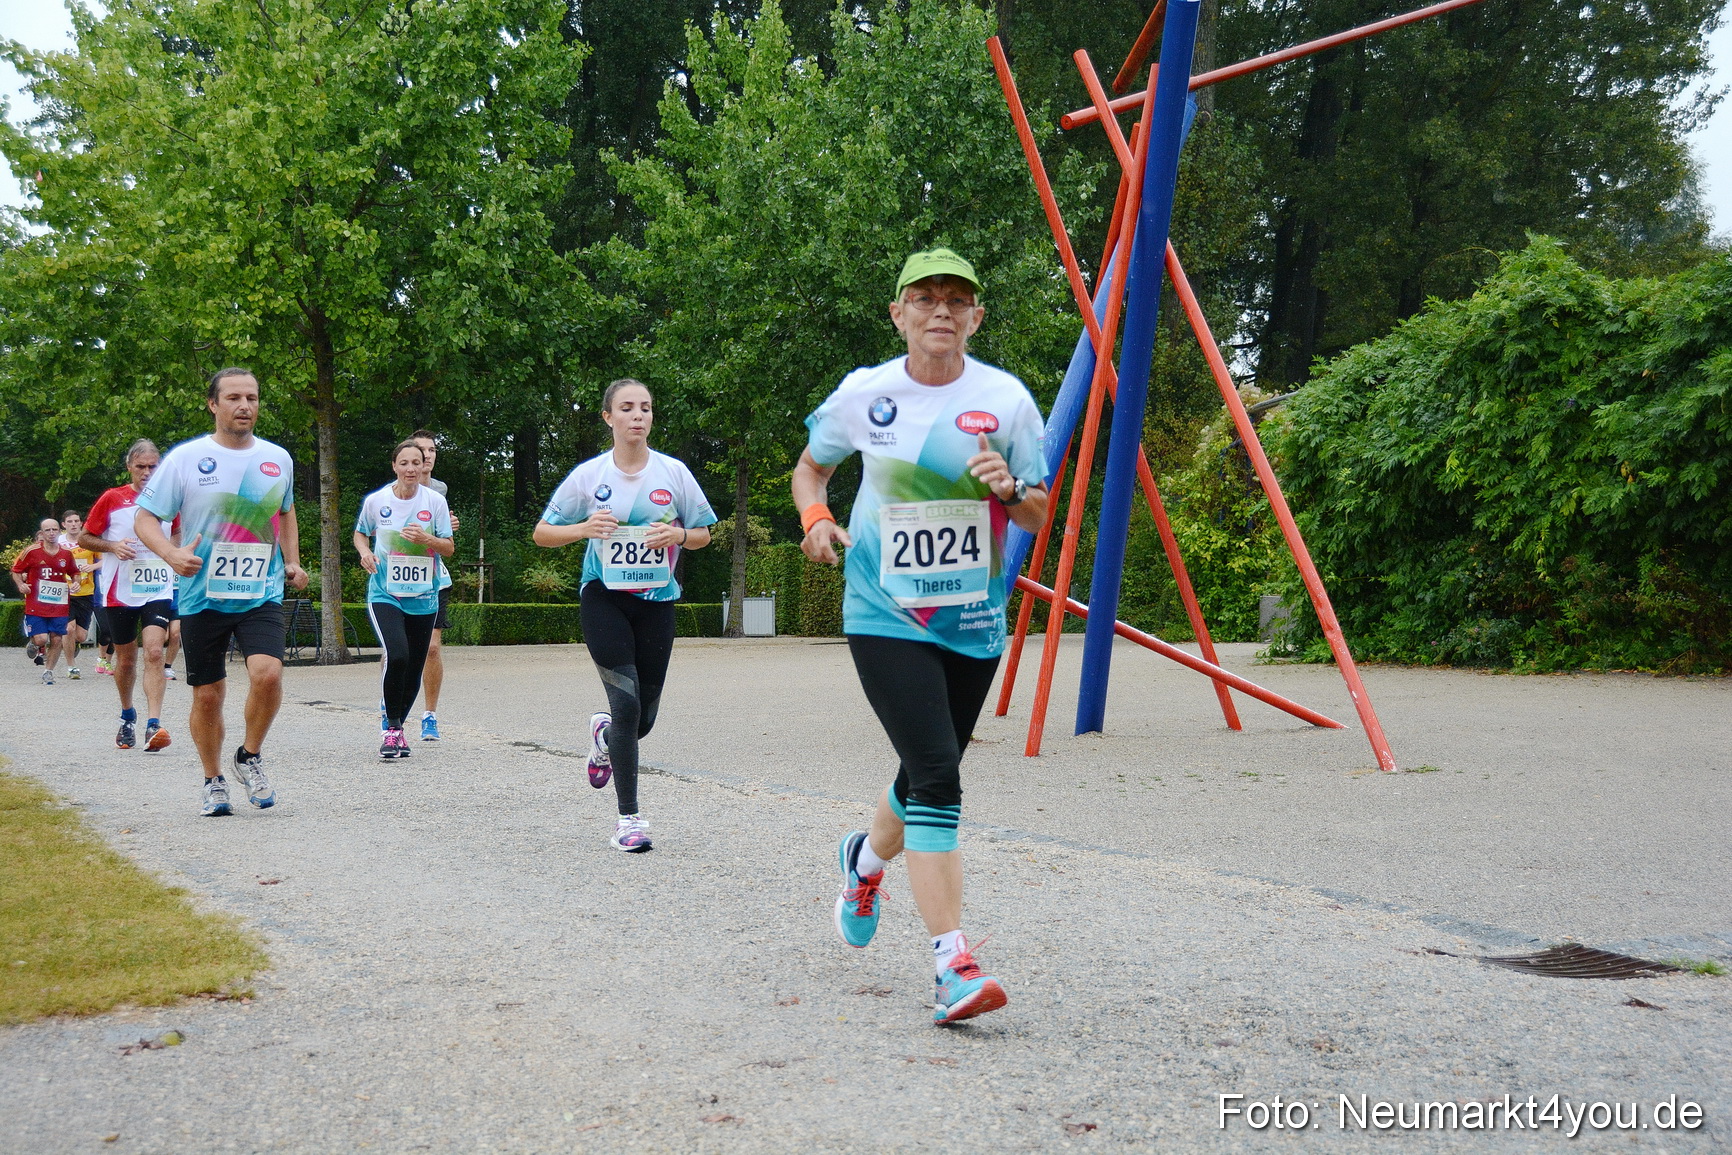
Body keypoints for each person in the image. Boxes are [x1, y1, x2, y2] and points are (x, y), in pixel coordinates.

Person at [791, 248, 1049, 1025]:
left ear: (976, 317)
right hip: (884, 611)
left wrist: (1011, 488)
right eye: (925, 297)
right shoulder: (865, 393)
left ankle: (864, 860)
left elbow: (1038, 510)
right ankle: (953, 966)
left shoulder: (1006, 400)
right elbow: (810, 470)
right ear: (898, 313)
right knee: (939, 777)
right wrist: (816, 518)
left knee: (923, 769)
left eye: (956, 299)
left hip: (972, 621)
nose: (941, 310)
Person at [533, 379, 716, 852]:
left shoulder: (673, 473)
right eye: (628, 408)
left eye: (646, 408)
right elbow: (542, 533)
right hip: (603, 598)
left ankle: (604, 737)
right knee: (627, 704)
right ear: (608, 417)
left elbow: (704, 534)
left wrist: (679, 536)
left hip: (657, 602)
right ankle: (628, 820)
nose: (638, 416)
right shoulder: (589, 476)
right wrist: (583, 528)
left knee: (643, 720)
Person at [134, 368, 307, 816]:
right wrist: (170, 554)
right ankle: (213, 779)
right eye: (233, 398)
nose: (244, 406)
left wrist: (292, 560)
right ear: (213, 404)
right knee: (208, 695)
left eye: (252, 397)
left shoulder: (277, 458)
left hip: (260, 591)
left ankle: (249, 756)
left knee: (268, 674)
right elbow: (145, 519)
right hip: (202, 595)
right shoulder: (186, 458)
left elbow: (285, 511)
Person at [355, 440, 455, 759]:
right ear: (394, 466)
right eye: (404, 463)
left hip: (424, 595)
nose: (411, 469)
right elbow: (360, 532)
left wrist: (426, 538)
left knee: (414, 665)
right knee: (397, 654)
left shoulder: (435, 502)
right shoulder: (377, 501)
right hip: (385, 592)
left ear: (423, 465)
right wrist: (365, 552)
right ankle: (391, 727)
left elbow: (449, 547)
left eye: (416, 462)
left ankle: (398, 728)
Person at [82, 441, 178, 751]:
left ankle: (154, 724)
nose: (147, 472)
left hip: (158, 586)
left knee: (154, 651)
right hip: (119, 591)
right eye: (141, 466)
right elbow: (85, 537)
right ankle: (127, 716)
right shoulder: (112, 498)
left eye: (153, 466)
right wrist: (112, 546)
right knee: (125, 660)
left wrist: (174, 552)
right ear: (129, 467)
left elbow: (177, 533)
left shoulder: (169, 500)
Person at [408, 429, 459, 742]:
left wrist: (447, 529)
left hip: (434, 577)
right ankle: (391, 707)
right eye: (422, 450)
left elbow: (445, 541)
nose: (428, 456)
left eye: (432, 450)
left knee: (431, 648)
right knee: (397, 651)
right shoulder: (394, 491)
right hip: (397, 581)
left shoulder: (440, 490)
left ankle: (430, 715)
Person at [11, 520, 78, 685]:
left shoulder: (66, 554)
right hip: (36, 604)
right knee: (41, 639)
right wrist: (20, 584)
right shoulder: (31, 551)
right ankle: (33, 642)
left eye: (54, 529)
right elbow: (16, 570)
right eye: (47, 530)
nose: (51, 533)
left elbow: (74, 572)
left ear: (60, 531)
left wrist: (77, 582)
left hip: (59, 604)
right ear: (41, 533)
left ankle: (48, 672)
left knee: (57, 639)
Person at [60, 511, 97, 678]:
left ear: (81, 523)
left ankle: (74, 644)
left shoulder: (89, 540)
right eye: (70, 521)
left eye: (76, 521)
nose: (73, 524)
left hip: (86, 592)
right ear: (64, 525)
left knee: (81, 636)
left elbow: (107, 559)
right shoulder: (58, 542)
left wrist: (93, 567)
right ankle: (71, 666)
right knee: (69, 628)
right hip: (65, 592)